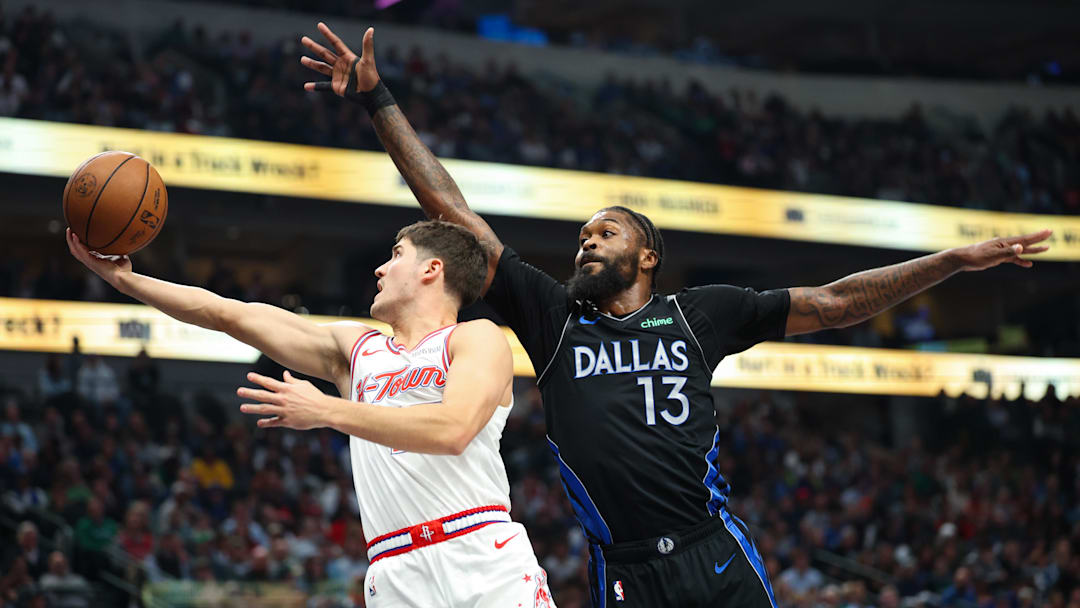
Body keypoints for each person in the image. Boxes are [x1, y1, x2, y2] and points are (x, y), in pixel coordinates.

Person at [299, 22, 1052, 607]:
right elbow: (451, 210)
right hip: (622, 569)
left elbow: (831, 303)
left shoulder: (701, 316)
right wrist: (378, 102)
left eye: (607, 232)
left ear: (647, 254)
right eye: (583, 234)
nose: (588, 242)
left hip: (712, 550)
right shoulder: (552, 317)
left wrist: (950, 262)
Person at [65, 220, 555, 607]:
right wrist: (125, 280)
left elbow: (453, 429)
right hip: (395, 570)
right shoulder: (354, 349)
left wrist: (328, 409)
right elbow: (226, 313)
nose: (381, 270)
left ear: (432, 270)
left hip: (479, 551)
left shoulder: (476, 338)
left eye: (396, 256)